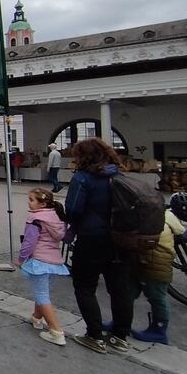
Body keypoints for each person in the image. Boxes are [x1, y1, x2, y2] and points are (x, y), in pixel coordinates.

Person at [65, 137, 134, 354]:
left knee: (85, 286)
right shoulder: (118, 175)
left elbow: (74, 209)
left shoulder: (83, 178)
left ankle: (94, 335)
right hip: (121, 238)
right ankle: (120, 336)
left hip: (92, 237)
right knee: (119, 288)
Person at [121, 209, 182, 345]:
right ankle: (121, 321)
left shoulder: (152, 221)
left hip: (154, 265)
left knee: (156, 297)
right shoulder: (164, 216)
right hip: (150, 263)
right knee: (129, 292)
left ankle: (159, 330)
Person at [17, 188, 70, 346]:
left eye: (32, 199)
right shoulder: (56, 216)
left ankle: (56, 332)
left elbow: (29, 242)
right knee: (43, 293)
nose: (29, 202)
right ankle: (36, 318)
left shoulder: (35, 218)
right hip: (54, 261)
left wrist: (20, 260)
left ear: (43, 203)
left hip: (39, 261)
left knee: (41, 295)